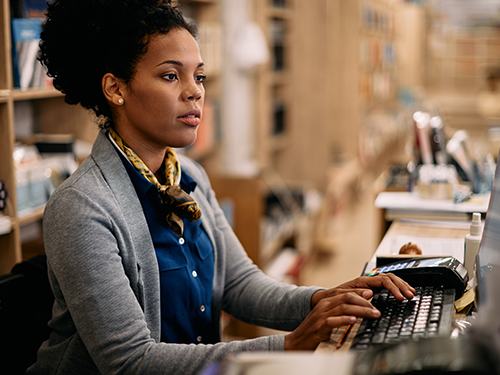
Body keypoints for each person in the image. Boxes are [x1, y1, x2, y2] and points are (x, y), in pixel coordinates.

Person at [27, 1, 415, 374]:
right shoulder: (81, 207)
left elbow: (239, 285)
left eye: (199, 76)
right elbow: (130, 362)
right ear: (115, 88)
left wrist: (326, 299)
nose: (194, 91)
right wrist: (290, 345)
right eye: (170, 75)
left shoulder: (190, 176)